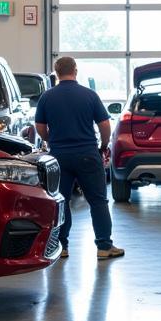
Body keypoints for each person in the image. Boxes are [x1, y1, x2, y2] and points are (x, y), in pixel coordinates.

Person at [35, 56, 124, 260]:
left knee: (62, 201)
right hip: (87, 154)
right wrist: (103, 146)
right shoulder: (89, 95)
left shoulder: (47, 97)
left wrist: (52, 139)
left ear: (56, 73)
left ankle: (62, 246)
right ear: (75, 70)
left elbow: (40, 128)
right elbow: (104, 125)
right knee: (98, 201)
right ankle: (104, 246)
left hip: (59, 157)